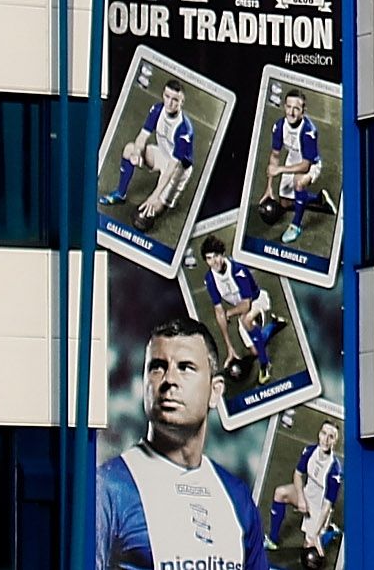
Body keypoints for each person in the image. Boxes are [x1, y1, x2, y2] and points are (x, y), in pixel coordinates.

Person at [96, 316, 271, 570]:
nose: (169, 379)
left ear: (215, 391)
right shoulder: (109, 488)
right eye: (157, 367)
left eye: (186, 367)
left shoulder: (237, 496)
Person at [103, 80, 199, 228]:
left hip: (178, 170)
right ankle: (120, 194)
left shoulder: (184, 130)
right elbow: (142, 137)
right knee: (129, 149)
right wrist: (137, 152)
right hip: (162, 154)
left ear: (182, 102)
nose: (169, 103)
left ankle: (162, 203)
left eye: (175, 100)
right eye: (167, 96)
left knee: (150, 212)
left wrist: (154, 197)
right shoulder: (157, 110)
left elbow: (171, 169)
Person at [197, 238, 284, 382]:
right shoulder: (210, 279)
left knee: (246, 320)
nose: (214, 261)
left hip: (258, 301)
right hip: (241, 311)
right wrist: (229, 347)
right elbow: (219, 311)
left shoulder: (238, 270)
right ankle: (275, 324)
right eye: (209, 258)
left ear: (223, 254)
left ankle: (265, 365)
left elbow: (246, 305)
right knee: (255, 351)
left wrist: (229, 313)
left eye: (216, 256)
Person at [269, 420, 343, 569]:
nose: (326, 439)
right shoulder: (309, 451)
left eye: (331, 436)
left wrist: (315, 533)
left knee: (309, 547)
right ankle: (273, 540)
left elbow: (327, 505)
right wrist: (301, 499)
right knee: (280, 493)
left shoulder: (335, 470)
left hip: (319, 508)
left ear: (335, 441)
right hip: (306, 495)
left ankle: (329, 532)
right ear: (319, 434)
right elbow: (297, 474)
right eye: (324, 433)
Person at [260, 91, 326, 246]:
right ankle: (318, 199)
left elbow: (305, 166)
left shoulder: (308, 131)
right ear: (284, 107)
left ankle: (295, 226)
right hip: (292, 160)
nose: (291, 112)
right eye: (289, 107)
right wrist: (269, 187)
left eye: (296, 108)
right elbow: (275, 156)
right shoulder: (279, 126)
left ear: (303, 110)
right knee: (284, 203)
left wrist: (280, 170)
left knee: (298, 182)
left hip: (311, 164)